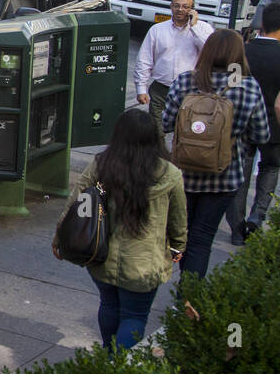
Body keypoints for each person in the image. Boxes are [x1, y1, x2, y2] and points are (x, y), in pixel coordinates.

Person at [61, 108, 186, 351]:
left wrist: (59, 238)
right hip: (144, 263)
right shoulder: (170, 174)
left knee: (109, 304)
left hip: (102, 255)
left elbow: (75, 203)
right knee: (135, 315)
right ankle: (116, 365)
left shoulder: (102, 164)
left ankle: (110, 353)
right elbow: (178, 218)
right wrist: (178, 246)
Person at [162, 30, 271, 279]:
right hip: (224, 177)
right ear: (238, 54)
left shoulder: (185, 81)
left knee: (177, 233)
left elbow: (165, 123)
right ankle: (186, 301)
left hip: (183, 176)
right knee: (201, 239)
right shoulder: (248, 86)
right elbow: (261, 135)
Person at [227, 3, 280, 243]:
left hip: (242, 126)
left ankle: (237, 229)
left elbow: (229, 89)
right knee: (270, 169)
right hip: (274, 128)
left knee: (240, 176)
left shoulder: (240, 53)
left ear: (261, 25)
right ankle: (256, 217)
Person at [135, 0, 214, 140]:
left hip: (191, 91)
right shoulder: (157, 30)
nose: (180, 10)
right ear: (171, 7)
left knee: (186, 134)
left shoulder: (203, 29)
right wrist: (141, 88)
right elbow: (144, 60)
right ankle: (160, 160)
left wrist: (194, 26)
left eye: (185, 7)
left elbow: (210, 50)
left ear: (192, 9)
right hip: (161, 90)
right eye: (176, 6)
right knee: (156, 135)